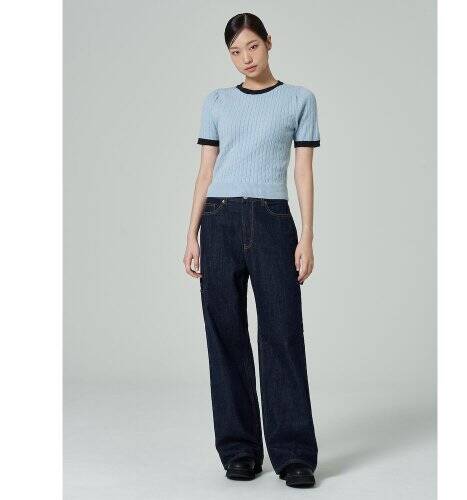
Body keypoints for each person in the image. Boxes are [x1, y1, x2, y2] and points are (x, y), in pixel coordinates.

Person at [183, 12, 320, 488]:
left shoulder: (299, 99)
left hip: (273, 221)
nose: (245, 58)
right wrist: (191, 233)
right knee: (225, 336)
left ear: (268, 42)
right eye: (236, 52)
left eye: (252, 47)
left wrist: (307, 235)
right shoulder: (217, 102)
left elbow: (303, 171)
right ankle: (239, 451)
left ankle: (294, 455)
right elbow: (206, 171)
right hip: (219, 221)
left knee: (282, 333)